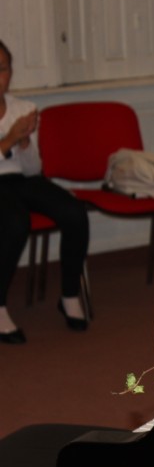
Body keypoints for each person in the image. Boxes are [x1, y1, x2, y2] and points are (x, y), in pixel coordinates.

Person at [0, 40, 90, 344]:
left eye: (3, 69)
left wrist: (25, 143)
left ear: (11, 73)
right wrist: (9, 140)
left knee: (74, 212)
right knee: (15, 222)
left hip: (21, 179)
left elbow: (33, 169)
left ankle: (69, 295)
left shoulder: (23, 109)